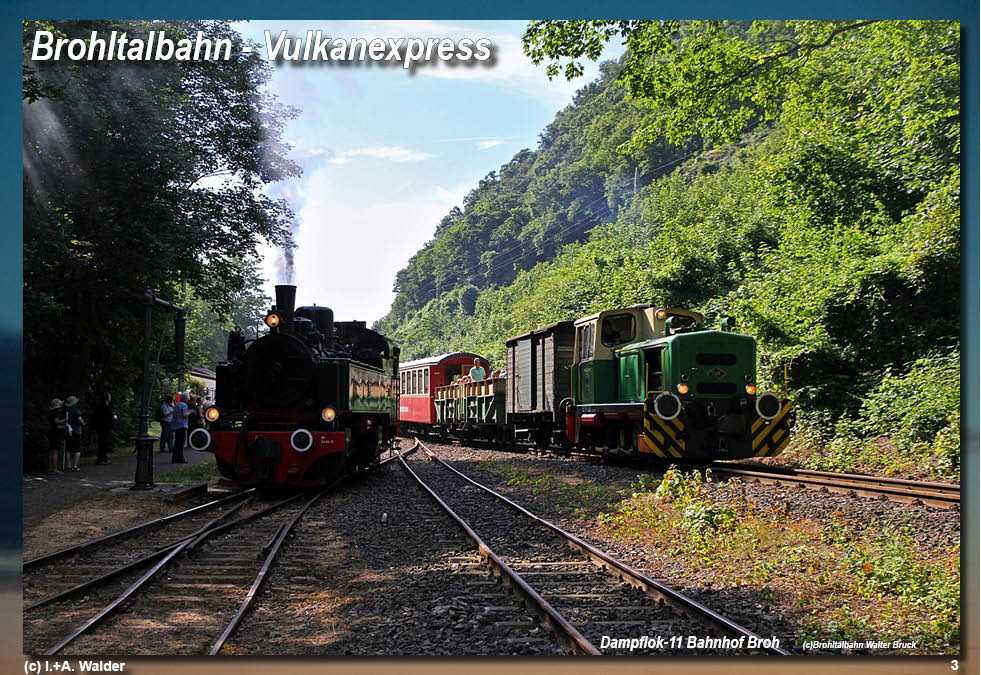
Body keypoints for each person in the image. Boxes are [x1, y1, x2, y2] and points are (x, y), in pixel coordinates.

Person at [92, 392, 115, 465]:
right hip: (103, 428)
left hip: (102, 428)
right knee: (103, 444)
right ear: (107, 398)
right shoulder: (103, 407)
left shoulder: (100, 406)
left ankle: (103, 459)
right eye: (110, 397)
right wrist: (112, 418)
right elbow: (104, 418)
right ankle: (102, 459)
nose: (110, 399)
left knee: (103, 444)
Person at [64, 395, 84, 472]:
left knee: (68, 449)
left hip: (68, 430)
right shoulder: (76, 410)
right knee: (77, 449)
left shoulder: (65, 410)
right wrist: (83, 423)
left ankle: (68, 466)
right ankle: (75, 466)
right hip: (76, 431)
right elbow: (80, 420)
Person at [47, 398, 66, 473]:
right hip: (55, 433)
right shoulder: (55, 412)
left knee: (51, 451)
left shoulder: (50, 412)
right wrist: (65, 420)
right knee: (55, 451)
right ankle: (54, 468)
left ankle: (50, 468)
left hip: (51, 432)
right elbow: (56, 422)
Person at [171, 392, 189, 463]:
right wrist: (190, 412)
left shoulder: (177, 404)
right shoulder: (184, 405)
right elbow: (184, 415)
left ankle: (174, 458)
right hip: (182, 426)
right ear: (186, 398)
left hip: (176, 426)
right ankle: (180, 458)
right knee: (181, 443)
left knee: (177, 443)